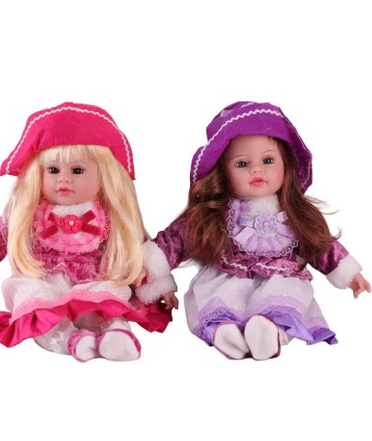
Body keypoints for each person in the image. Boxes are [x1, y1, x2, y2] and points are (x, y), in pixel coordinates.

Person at [138, 101, 370, 360]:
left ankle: (269, 330)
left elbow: (320, 245)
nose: (256, 169)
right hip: (229, 276)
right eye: (241, 164)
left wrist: (349, 273)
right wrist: (150, 265)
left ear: (286, 165)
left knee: (282, 296)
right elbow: (178, 238)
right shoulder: (215, 213)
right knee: (220, 299)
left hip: (280, 277)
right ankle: (224, 331)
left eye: (268, 160)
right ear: (223, 172)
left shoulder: (294, 213)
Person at [0, 102, 172, 362]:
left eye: (77, 170)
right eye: (53, 170)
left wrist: (159, 285)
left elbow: (139, 246)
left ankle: (116, 334)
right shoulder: (29, 215)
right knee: (36, 301)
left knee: (106, 297)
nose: (63, 179)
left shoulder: (112, 217)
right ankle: (69, 339)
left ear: (105, 175)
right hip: (45, 280)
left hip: (93, 280)